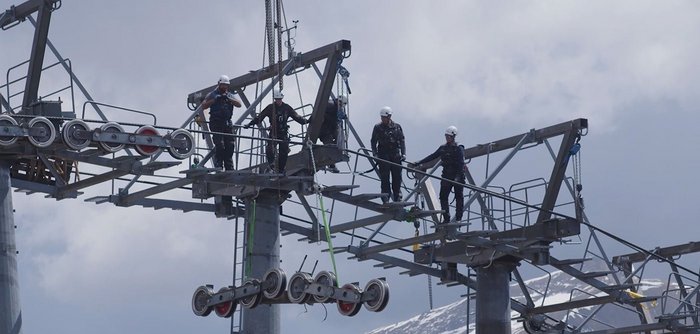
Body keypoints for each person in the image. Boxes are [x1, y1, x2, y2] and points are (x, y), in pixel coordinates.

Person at [244, 89, 308, 174]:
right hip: (274, 133)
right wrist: (250, 124)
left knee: (284, 152)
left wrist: (305, 121)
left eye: (280, 99)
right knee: (270, 148)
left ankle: (281, 170)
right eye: (277, 99)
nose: (278, 101)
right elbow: (260, 117)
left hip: (283, 133)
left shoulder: (286, 108)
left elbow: (296, 116)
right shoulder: (270, 108)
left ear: (282, 98)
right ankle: (272, 165)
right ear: (275, 99)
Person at [411, 126, 465, 224]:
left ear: (453, 136)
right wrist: (419, 162)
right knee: (443, 196)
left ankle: (458, 218)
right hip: (446, 175)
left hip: (457, 175)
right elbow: (433, 156)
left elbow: (461, 163)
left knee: (459, 197)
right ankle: (446, 218)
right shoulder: (443, 148)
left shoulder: (459, 148)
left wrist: (458, 177)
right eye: (446, 136)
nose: (447, 138)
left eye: (449, 136)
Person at [200, 75, 242, 170]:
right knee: (220, 144)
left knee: (230, 145)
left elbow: (239, 104)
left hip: (227, 123)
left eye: (226, 85)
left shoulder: (229, 94)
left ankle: (229, 166)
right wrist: (215, 100)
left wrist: (229, 99)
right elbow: (203, 105)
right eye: (223, 85)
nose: (225, 87)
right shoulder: (212, 94)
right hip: (216, 122)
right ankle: (219, 164)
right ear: (219, 84)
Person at [370, 106, 406, 203]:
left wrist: (403, 153)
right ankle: (385, 196)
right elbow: (373, 141)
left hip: (395, 155)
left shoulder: (397, 127)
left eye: (384, 117)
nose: (383, 119)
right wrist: (375, 154)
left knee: (397, 177)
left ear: (389, 117)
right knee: (385, 177)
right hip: (383, 155)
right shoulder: (377, 127)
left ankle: (397, 196)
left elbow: (402, 140)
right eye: (382, 117)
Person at [317, 95, 346, 173]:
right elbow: (320, 113)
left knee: (337, 141)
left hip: (330, 129)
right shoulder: (329, 105)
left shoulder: (337, 108)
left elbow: (336, 118)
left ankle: (332, 161)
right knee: (329, 145)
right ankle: (331, 164)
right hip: (324, 130)